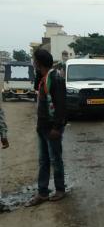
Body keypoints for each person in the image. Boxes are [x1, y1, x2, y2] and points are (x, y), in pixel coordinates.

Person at [26, 49, 67, 207]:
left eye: (34, 60)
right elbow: (36, 86)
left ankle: (60, 189)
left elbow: (61, 105)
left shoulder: (55, 78)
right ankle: (42, 192)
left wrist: (57, 127)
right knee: (43, 161)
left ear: (39, 62)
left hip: (52, 128)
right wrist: (38, 72)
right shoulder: (44, 78)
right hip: (42, 127)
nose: (33, 62)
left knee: (55, 160)